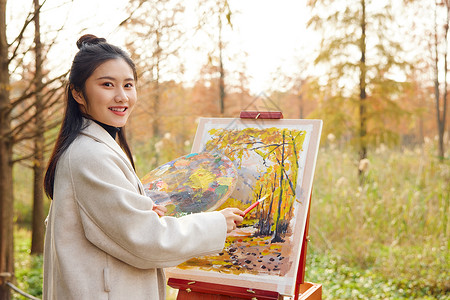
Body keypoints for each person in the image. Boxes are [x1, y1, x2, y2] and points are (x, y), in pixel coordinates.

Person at [42, 34, 244, 300]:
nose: (121, 96)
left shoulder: (94, 146)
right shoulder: (91, 155)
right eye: (107, 84)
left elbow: (115, 228)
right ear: (78, 93)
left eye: (128, 84)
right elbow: (146, 240)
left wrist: (141, 211)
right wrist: (217, 223)